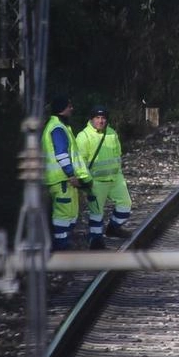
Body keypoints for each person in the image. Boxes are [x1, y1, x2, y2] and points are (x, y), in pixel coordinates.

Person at [76, 105, 133, 250]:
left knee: (125, 205)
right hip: (96, 182)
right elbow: (79, 161)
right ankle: (95, 241)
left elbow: (117, 155)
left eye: (103, 118)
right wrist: (86, 180)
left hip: (115, 178)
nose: (100, 121)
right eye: (97, 118)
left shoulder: (112, 133)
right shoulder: (84, 136)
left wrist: (119, 174)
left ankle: (113, 228)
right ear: (91, 119)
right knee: (96, 213)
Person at [41, 93, 92, 251]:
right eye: (69, 106)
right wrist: (71, 174)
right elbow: (62, 154)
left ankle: (63, 245)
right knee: (63, 215)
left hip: (61, 179)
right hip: (62, 179)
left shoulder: (58, 126)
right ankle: (61, 247)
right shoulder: (58, 128)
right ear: (62, 108)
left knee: (68, 214)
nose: (72, 108)